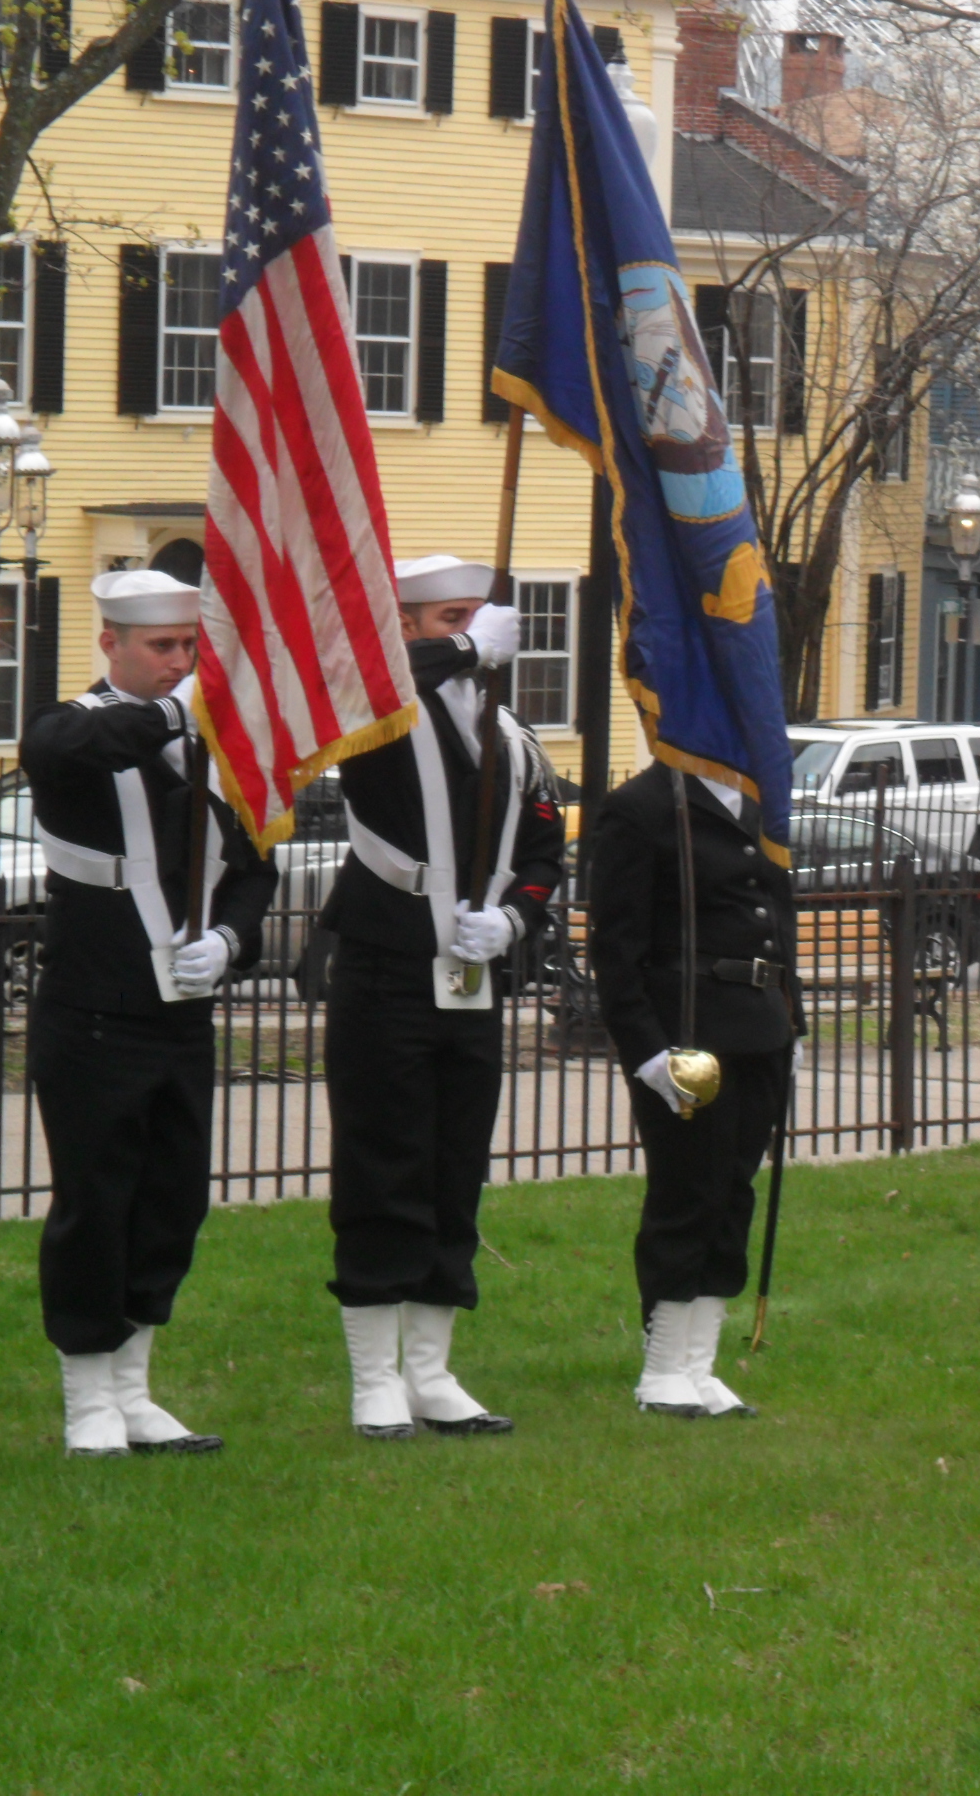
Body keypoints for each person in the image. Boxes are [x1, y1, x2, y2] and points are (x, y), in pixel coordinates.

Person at [22, 570, 280, 1457]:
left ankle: (133, 1385)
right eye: (161, 647)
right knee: (96, 1199)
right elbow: (74, 749)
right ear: (112, 646)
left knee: (171, 1198)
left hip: (181, 1011)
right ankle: (87, 1393)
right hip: (94, 1007)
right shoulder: (75, 728)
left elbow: (254, 869)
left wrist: (235, 942)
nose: (177, 663)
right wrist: (185, 708)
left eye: (188, 647)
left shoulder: (214, 748)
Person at [321, 555, 563, 1438]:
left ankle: (431, 1370)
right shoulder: (379, 712)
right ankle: (374, 1377)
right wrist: (461, 648)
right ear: (411, 631)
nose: (474, 632)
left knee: (454, 1170)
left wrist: (516, 921)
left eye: (479, 616)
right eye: (448, 617)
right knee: (384, 1167)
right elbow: (355, 691)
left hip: (471, 978)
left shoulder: (513, 734)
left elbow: (545, 851)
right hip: (386, 966)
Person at [587, 763, 801, 1418]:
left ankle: (699, 1366)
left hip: (759, 1025)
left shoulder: (757, 796)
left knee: (733, 1195)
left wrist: (789, 1016)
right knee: (688, 1194)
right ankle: (660, 1370)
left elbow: (776, 911)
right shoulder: (642, 807)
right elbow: (615, 946)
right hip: (687, 1031)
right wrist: (646, 1051)